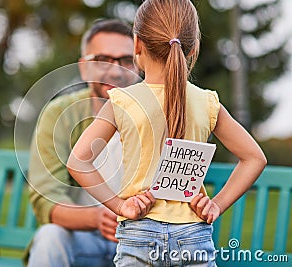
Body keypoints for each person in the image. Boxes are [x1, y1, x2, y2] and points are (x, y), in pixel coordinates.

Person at [67, 0, 267, 266]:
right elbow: (255, 158)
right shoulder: (208, 103)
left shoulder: (122, 101)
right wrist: (216, 205)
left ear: (136, 44)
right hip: (193, 235)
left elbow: (78, 161)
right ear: (193, 47)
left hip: (139, 231)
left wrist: (119, 205)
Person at [25, 19, 140, 267]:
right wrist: (99, 217)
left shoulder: (158, 114)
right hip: (83, 238)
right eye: (103, 60)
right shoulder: (59, 114)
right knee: (49, 237)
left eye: (126, 60)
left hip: (140, 242)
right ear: (84, 68)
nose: (116, 71)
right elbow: (46, 198)